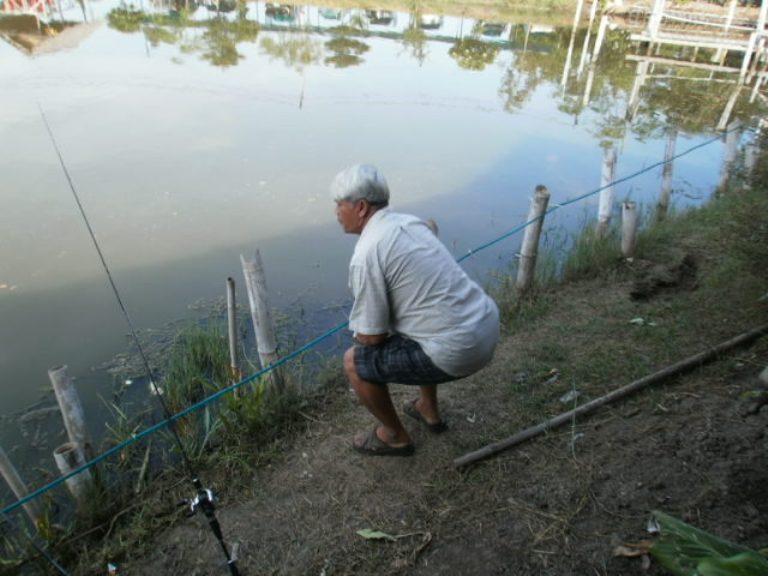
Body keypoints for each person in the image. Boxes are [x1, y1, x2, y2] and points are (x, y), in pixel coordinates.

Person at [331, 163, 500, 457]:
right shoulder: (409, 223)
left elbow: (371, 338)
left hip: (459, 349)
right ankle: (428, 410)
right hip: (486, 325)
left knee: (354, 362)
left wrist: (363, 332)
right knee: (419, 328)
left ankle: (394, 436)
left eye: (339, 204)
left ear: (360, 207)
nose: (335, 212)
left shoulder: (368, 252)